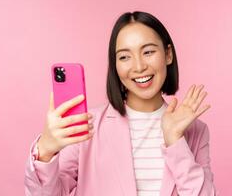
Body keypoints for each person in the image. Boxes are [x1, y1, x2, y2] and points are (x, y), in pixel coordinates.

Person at [24, 11, 217, 196]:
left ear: (168, 54)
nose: (139, 66)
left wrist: (175, 141)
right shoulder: (87, 126)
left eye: (148, 51)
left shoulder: (195, 131)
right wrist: (46, 152)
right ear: (115, 65)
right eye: (124, 57)